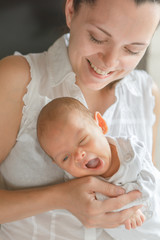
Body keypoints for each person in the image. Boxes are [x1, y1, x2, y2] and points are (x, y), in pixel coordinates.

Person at [0, 0, 160, 239]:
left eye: (132, 50)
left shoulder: (148, 96)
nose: (108, 62)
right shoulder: (17, 80)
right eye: (97, 38)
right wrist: (61, 197)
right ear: (71, 10)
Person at [37, 96, 160, 239]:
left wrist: (132, 205)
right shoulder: (75, 184)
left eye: (83, 140)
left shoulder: (131, 151)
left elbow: (152, 181)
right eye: (65, 157)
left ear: (100, 125)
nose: (78, 155)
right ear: (58, 165)